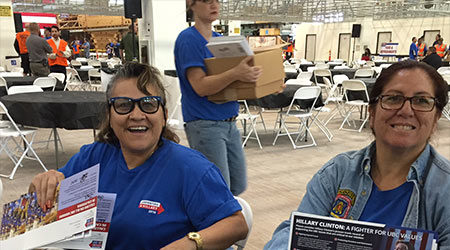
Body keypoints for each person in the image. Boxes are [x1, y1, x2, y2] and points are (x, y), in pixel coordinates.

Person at [28, 62, 248, 249]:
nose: (137, 115)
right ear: (109, 115)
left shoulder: (191, 169)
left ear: (163, 115)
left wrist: (191, 243)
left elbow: (236, 224)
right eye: (123, 105)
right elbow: (45, 203)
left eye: (148, 104)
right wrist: (45, 182)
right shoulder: (93, 157)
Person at [264, 60, 450, 249]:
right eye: (393, 98)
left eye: (421, 101)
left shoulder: (445, 190)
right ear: (371, 113)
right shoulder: (337, 172)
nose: (406, 110)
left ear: (436, 118)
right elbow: (292, 234)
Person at [174, 0, 262, 196]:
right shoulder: (189, 40)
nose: (214, 5)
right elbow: (200, 86)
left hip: (229, 122)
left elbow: (234, 82)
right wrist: (236, 73)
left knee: (237, 186)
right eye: (207, 1)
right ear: (192, 4)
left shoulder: (219, 40)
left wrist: (265, 83)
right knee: (217, 190)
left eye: (217, 1)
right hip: (205, 124)